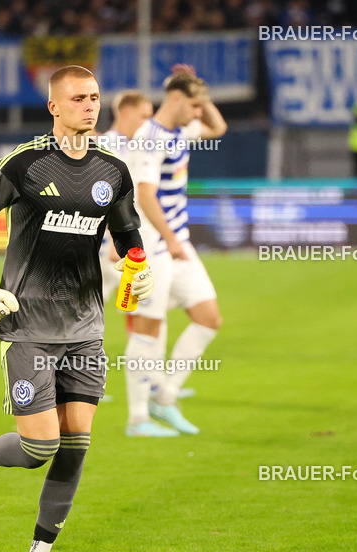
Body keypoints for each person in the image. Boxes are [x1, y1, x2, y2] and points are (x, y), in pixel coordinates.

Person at [0, 65, 154, 552]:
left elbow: (128, 231)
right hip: (28, 326)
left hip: (85, 327)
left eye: (95, 97)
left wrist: (138, 267)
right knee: (40, 447)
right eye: (79, 98)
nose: (90, 106)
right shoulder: (24, 164)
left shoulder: (113, 171)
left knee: (76, 443)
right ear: (54, 107)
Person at [124, 65, 227, 437]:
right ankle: (137, 418)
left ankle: (164, 398)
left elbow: (219, 129)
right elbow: (144, 194)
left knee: (208, 317)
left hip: (176, 242)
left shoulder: (180, 130)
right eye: (195, 106)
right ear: (175, 99)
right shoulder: (150, 137)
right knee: (147, 329)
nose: (200, 114)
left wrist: (202, 92)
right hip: (152, 245)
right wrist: (168, 238)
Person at [98, 90, 154, 303]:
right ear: (126, 112)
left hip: (113, 243)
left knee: (87, 311)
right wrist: (115, 241)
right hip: (107, 245)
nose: (148, 124)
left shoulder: (130, 146)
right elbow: (104, 196)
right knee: (144, 299)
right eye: (144, 116)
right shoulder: (108, 147)